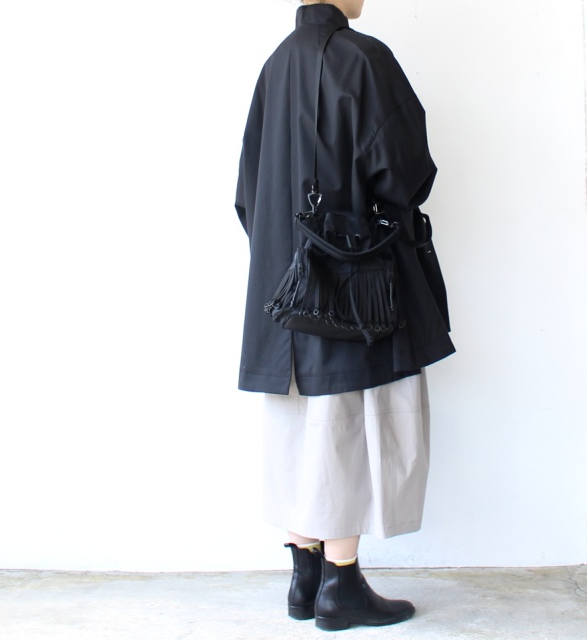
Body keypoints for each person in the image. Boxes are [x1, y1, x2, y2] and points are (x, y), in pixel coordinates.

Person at [235, 0, 455, 631]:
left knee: (300, 428)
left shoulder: (275, 65)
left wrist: (285, 251)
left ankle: (304, 577)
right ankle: (342, 584)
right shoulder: (364, 57)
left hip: (282, 289)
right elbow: (406, 174)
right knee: (347, 424)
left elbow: (247, 194)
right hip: (352, 286)